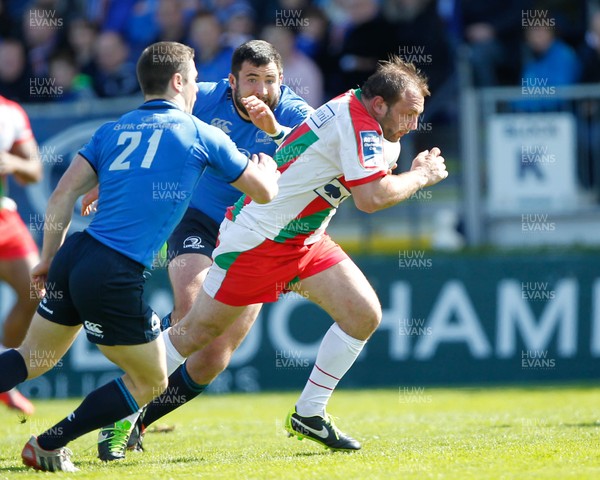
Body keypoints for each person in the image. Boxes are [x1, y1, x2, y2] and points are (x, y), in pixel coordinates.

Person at [0, 41, 279, 472]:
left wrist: (46, 258)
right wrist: (267, 169)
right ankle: (49, 443)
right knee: (152, 380)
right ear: (179, 81)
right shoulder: (201, 133)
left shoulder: (112, 129)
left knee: (30, 359)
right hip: (113, 271)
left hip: (75, 254)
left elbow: (60, 197)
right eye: (192, 81)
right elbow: (263, 194)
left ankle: (50, 442)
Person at [158, 56, 447, 451]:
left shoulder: (352, 111)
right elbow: (371, 198)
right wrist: (422, 175)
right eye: (409, 113)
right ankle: (118, 412)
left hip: (302, 240)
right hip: (260, 240)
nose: (415, 123)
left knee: (363, 315)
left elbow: (302, 147)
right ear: (379, 104)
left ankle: (309, 414)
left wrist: (275, 130)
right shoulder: (358, 123)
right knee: (196, 334)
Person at [91, 39, 312, 461]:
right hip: (202, 221)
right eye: (251, 80)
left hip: (259, 234)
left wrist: (277, 133)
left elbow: (319, 156)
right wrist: (109, 180)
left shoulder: (296, 115)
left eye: (270, 81)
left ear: (282, 80)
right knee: (192, 312)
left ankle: (136, 418)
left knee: (212, 355)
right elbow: (153, 131)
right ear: (231, 82)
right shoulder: (203, 96)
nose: (262, 91)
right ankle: (121, 410)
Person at [0, 94, 42, 416]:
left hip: (3, 217)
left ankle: (3, 375)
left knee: (35, 288)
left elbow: (34, 171)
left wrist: (12, 163)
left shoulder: (10, 112)